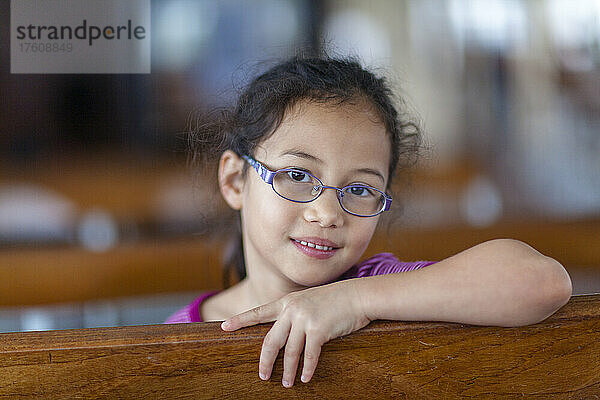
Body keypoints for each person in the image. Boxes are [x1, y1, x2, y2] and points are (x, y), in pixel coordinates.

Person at [165, 55, 572, 388]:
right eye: (298, 176)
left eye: (359, 189)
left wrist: (355, 300)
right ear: (236, 180)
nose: (326, 214)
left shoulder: (384, 289)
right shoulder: (174, 336)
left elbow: (542, 282)